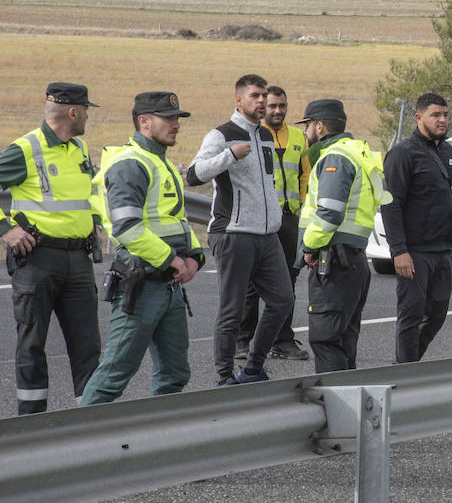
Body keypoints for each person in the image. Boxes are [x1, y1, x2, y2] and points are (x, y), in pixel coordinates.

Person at [81, 92, 204, 405]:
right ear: (144, 121)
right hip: (142, 282)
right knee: (115, 374)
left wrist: (194, 258)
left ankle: (156, 439)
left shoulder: (158, 161)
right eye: (169, 118)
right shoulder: (131, 164)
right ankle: (78, 444)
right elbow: (127, 229)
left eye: (177, 117)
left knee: (175, 372)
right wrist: (173, 260)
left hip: (169, 284)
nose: (176, 124)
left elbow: (176, 219)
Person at [1, 83, 103, 414]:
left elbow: (83, 195)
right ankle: (32, 426)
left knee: (88, 346)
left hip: (78, 259)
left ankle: (88, 421)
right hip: (37, 260)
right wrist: (6, 230)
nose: (88, 115)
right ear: (73, 112)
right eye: (86, 109)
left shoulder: (80, 148)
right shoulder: (25, 149)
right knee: (32, 344)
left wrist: (95, 220)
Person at [186, 74, 294, 386]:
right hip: (234, 233)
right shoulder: (221, 135)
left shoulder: (264, 135)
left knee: (283, 301)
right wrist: (230, 155)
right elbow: (194, 174)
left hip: (267, 235)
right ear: (239, 100)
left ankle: (252, 369)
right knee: (232, 310)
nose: (261, 101)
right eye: (255, 96)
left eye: (264, 96)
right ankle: (223, 376)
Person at [297, 98, 390, 372]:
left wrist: (309, 247)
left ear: (320, 127)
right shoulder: (357, 152)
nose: (305, 133)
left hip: (334, 262)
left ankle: (335, 408)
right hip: (353, 261)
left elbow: (329, 213)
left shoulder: (335, 158)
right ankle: (350, 408)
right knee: (344, 340)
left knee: (327, 340)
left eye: (308, 126)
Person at [380, 92, 452, 363]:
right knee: (411, 314)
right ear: (419, 117)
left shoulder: (447, 150)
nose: (442, 120)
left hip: (443, 250)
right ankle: (405, 373)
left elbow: (450, 192)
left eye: (445, 115)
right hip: (415, 252)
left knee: (437, 314)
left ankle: (408, 364)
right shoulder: (403, 153)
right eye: (435, 115)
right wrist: (399, 251)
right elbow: (390, 205)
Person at [235, 85, 311, 361]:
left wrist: (303, 207)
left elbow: (305, 175)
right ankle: (243, 341)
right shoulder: (252, 136)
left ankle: (283, 340)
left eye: (282, 106)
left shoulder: (297, 138)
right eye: (272, 106)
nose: (277, 111)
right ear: (263, 106)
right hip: (259, 220)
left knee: (287, 283)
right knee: (251, 284)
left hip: (289, 220)